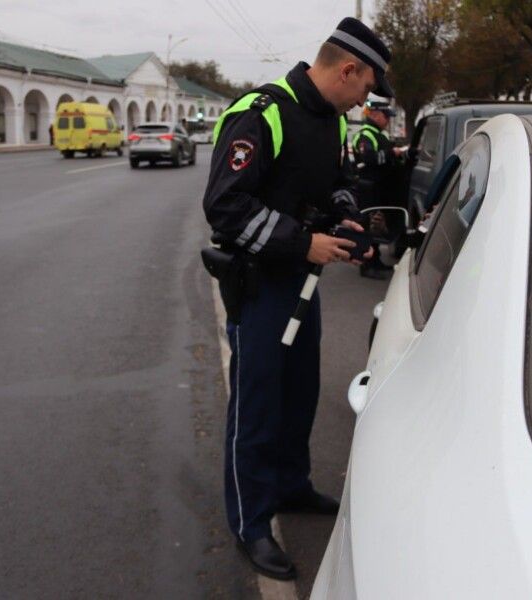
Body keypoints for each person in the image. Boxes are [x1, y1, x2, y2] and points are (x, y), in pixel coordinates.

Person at [202, 17, 394, 581]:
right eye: (366, 87)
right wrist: (302, 241)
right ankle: (252, 522)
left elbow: (330, 186)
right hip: (260, 284)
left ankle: (290, 485)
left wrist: (349, 220)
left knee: (298, 393)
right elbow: (226, 208)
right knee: (256, 407)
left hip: (301, 284)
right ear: (347, 68)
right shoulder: (260, 114)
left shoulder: (331, 122)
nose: (366, 99)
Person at [352, 101, 404, 279]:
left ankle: (375, 260)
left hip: (377, 187)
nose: (388, 119)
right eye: (386, 115)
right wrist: (393, 153)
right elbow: (369, 158)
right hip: (368, 187)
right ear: (374, 114)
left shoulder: (378, 134)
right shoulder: (366, 135)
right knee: (367, 225)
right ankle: (368, 265)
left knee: (373, 226)